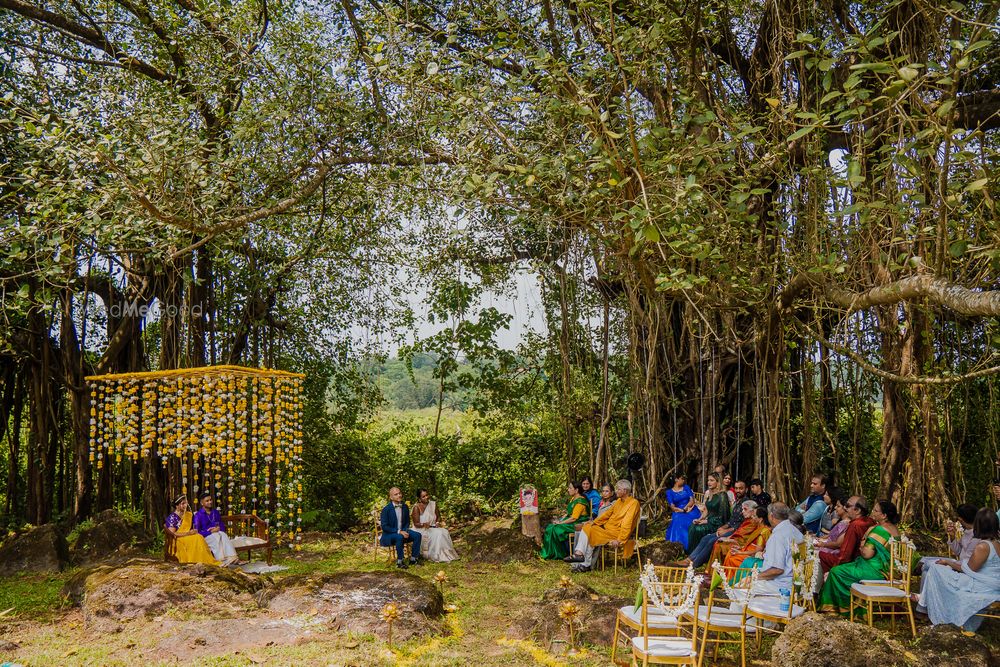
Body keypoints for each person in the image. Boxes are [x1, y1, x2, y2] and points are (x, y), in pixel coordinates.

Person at [915, 509, 1000, 632]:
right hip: (990, 584)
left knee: (935, 568)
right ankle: (923, 600)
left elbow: (969, 569)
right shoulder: (997, 543)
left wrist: (948, 562)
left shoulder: (983, 546)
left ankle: (925, 603)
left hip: (983, 585)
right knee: (939, 568)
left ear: (979, 525)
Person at [818, 500, 900, 615]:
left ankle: (838, 608)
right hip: (887, 569)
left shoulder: (879, 530)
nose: (873, 512)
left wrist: (862, 545)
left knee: (836, 571)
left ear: (884, 515)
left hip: (875, 570)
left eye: (876, 511)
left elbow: (867, 554)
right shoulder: (895, 529)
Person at [565, 479, 640, 573]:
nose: (616, 491)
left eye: (618, 489)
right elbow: (606, 515)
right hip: (607, 530)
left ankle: (584, 562)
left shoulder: (633, 503)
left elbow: (627, 523)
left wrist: (620, 539)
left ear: (625, 491)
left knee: (590, 532)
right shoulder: (618, 502)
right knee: (588, 527)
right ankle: (581, 558)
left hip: (617, 534)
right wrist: (593, 522)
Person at [680, 480, 751, 568]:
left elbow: (742, 524)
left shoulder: (747, 504)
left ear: (746, 490)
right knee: (705, 538)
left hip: (738, 532)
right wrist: (722, 527)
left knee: (712, 541)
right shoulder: (737, 502)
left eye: (741, 488)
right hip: (729, 528)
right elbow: (731, 521)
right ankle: (689, 559)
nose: (738, 490)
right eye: (736, 488)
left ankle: (694, 564)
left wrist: (727, 530)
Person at [746, 503, 803, 595]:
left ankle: (748, 609)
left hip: (780, 585)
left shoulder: (778, 536)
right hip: (795, 581)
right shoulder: (795, 531)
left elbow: (777, 570)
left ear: (771, 516)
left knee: (740, 588)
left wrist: (755, 576)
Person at [819, 495, 875, 572]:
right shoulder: (870, 521)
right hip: (864, 563)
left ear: (857, 510)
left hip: (853, 564)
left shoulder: (855, 525)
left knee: (819, 555)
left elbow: (844, 556)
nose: (845, 508)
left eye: (848, 506)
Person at [539, 482, 591, 560]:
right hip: (571, 522)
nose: (568, 490)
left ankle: (561, 553)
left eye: (570, 488)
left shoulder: (580, 502)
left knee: (556, 529)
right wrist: (560, 519)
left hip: (578, 524)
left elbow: (574, 518)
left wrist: (561, 523)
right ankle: (553, 551)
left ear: (576, 490)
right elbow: (568, 513)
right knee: (551, 527)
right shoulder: (573, 499)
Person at [164, 495, 218, 565]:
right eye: (183, 503)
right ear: (177, 506)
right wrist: (188, 533)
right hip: (177, 539)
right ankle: (195, 560)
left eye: (186, 503)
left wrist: (193, 531)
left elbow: (192, 527)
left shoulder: (188, 515)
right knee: (196, 538)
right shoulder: (172, 517)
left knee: (199, 537)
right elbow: (173, 533)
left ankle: (202, 560)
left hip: (187, 536)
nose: (185, 505)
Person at [718, 506, 771, 577]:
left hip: (755, 555)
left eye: (754, 516)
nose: (752, 517)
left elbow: (757, 550)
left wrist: (741, 552)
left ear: (760, 519)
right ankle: (725, 578)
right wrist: (740, 547)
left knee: (733, 558)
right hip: (748, 549)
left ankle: (733, 581)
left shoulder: (764, 531)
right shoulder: (759, 527)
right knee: (730, 553)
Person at [687, 472, 731, 555]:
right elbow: (706, 511)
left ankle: (699, 554)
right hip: (709, 521)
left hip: (717, 523)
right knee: (693, 526)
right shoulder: (710, 494)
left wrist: (707, 521)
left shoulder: (722, 495)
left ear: (718, 482)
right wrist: (699, 519)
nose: (709, 482)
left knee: (698, 529)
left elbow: (723, 516)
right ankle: (692, 554)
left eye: (711, 480)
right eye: (708, 480)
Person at [410, 488, 458, 563]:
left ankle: (445, 554)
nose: (426, 497)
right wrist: (424, 524)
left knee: (444, 531)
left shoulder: (433, 504)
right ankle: (436, 555)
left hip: (432, 527)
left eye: (427, 495)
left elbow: (438, 516)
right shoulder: (416, 507)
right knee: (438, 533)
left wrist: (437, 522)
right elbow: (416, 524)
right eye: (423, 496)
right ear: (419, 498)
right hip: (421, 529)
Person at [192, 493, 239, 567]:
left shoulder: (215, 512)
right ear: (202, 503)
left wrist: (218, 528)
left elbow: (221, 525)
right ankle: (220, 560)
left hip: (217, 534)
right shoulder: (198, 515)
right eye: (207, 501)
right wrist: (210, 531)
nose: (210, 502)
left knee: (222, 534)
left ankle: (231, 557)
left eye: (210, 500)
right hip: (205, 537)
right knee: (216, 536)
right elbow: (197, 531)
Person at [380, 486, 422, 568]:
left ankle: (413, 559)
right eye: (396, 494)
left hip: (402, 531)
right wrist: (399, 531)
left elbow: (407, 522)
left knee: (417, 535)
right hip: (389, 535)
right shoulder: (386, 509)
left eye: (400, 493)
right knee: (399, 537)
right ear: (391, 497)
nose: (399, 495)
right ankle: (400, 562)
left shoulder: (405, 506)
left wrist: (405, 530)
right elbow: (385, 527)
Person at [665, 474, 700, 550]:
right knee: (678, 520)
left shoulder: (686, 487)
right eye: (682, 478)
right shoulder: (669, 492)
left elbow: (692, 500)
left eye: (684, 479)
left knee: (691, 520)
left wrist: (685, 508)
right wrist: (680, 510)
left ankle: (691, 546)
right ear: (676, 480)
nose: (684, 480)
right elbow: (672, 506)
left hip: (690, 509)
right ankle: (680, 546)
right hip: (678, 511)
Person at [816, 492, 850, 559]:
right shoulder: (841, 521)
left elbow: (838, 544)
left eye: (838, 506)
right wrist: (822, 539)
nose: (835, 507)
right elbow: (831, 535)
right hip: (827, 547)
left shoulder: (846, 524)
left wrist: (823, 544)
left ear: (845, 508)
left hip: (831, 552)